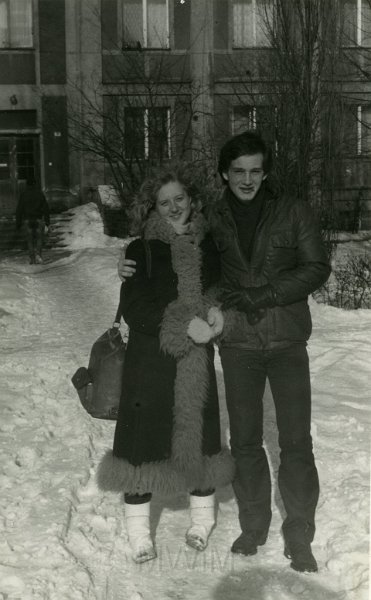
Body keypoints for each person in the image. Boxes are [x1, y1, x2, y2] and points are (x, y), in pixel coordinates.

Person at [118, 131, 331, 573]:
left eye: (255, 171)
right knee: (246, 442)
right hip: (237, 345)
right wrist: (123, 263)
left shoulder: (293, 211)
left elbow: (316, 267)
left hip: (287, 339)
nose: (247, 179)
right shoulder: (215, 219)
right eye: (238, 171)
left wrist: (259, 296)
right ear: (224, 175)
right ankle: (254, 526)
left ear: (265, 172)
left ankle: (299, 531)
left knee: (295, 442)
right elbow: (164, 252)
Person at [97, 163, 234, 564]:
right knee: (141, 446)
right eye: (164, 202)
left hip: (196, 357)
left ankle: (201, 521)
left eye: (180, 199)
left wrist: (215, 311)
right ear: (151, 208)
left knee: (201, 438)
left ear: (192, 200)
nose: (174, 207)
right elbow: (135, 306)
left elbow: (219, 288)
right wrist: (180, 322)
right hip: (149, 361)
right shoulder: (141, 249)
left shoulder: (210, 246)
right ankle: (139, 533)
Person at [16, 177, 50, 264]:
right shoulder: (40, 194)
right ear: (35, 184)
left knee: (30, 240)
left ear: (27, 184)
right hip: (38, 219)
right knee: (39, 238)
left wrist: (18, 223)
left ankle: (32, 259)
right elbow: (46, 208)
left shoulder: (23, 194)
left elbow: (19, 209)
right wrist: (47, 221)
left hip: (27, 220)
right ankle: (38, 254)